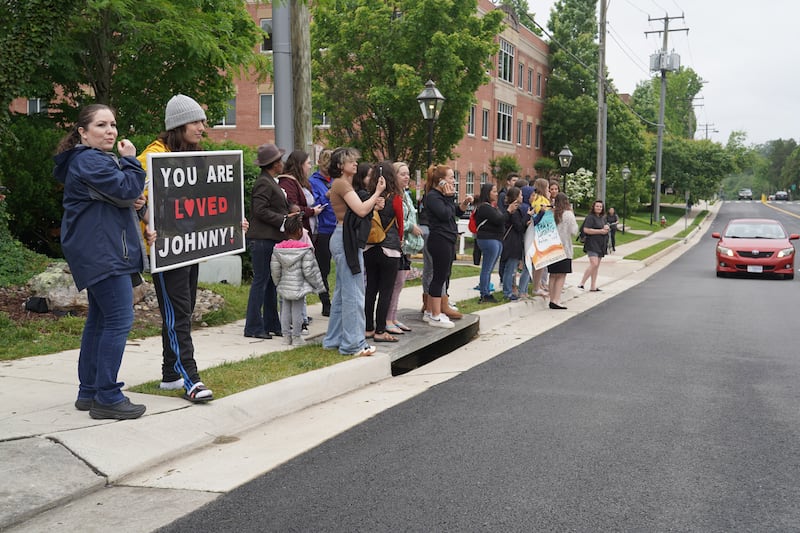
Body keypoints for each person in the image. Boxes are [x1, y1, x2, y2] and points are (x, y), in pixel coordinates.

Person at [53, 103, 148, 420]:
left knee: (99, 320)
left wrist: (130, 201)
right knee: (119, 320)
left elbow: (119, 197)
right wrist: (132, 162)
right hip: (103, 253)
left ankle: (89, 391)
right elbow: (124, 188)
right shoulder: (91, 160)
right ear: (83, 132)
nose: (110, 131)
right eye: (101, 125)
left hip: (100, 250)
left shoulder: (92, 161)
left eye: (113, 124)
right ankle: (107, 395)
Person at [137, 94, 230, 403]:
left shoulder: (190, 156)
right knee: (178, 313)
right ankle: (191, 378)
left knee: (182, 311)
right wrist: (149, 224)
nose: (202, 127)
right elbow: (136, 199)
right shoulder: (152, 156)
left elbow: (203, 203)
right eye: (196, 121)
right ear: (178, 125)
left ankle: (169, 375)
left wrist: (230, 223)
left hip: (189, 246)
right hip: (165, 249)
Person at [322, 147, 386, 357]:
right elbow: (359, 210)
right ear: (340, 165)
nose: (355, 164)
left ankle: (334, 339)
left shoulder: (341, 184)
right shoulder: (341, 183)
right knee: (354, 294)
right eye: (351, 161)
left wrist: (373, 205)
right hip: (345, 239)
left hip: (342, 237)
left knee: (343, 293)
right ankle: (353, 344)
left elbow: (358, 210)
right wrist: (377, 193)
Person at [245, 143, 290, 339]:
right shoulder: (264, 182)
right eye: (280, 160)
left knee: (271, 283)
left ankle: (272, 324)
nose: (282, 163)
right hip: (262, 239)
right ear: (274, 164)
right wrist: (283, 220)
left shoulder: (271, 180)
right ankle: (253, 327)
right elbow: (259, 210)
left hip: (270, 238)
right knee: (261, 281)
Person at [280, 150, 325, 332]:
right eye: (307, 163)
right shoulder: (288, 182)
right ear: (299, 165)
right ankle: (295, 321)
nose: (309, 166)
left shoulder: (300, 182)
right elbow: (293, 209)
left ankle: (301, 317)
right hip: (296, 238)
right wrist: (312, 212)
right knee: (295, 280)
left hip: (305, 234)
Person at [422, 164, 472, 327]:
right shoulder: (433, 196)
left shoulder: (443, 196)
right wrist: (450, 198)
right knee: (438, 277)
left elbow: (455, 213)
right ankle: (435, 315)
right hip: (439, 238)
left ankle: (431, 311)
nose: (454, 181)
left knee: (443, 275)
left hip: (448, 238)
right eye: (450, 177)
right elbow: (444, 214)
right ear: (441, 181)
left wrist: (463, 204)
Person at [271, 211, 325, 347]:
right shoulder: (304, 250)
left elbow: (275, 269)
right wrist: (317, 285)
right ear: (300, 231)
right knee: (297, 311)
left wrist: (278, 282)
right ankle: (296, 337)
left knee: (284, 310)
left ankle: (285, 337)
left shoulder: (278, 249)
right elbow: (309, 271)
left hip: (284, 284)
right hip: (299, 286)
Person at [363, 161, 404, 343]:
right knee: (386, 291)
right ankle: (380, 330)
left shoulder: (368, 196)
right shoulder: (395, 197)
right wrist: (400, 239)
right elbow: (400, 224)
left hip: (370, 246)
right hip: (390, 248)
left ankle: (368, 328)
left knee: (371, 288)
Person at [386, 161, 423, 333]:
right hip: (395, 243)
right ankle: (387, 319)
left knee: (400, 282)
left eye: (408, 173)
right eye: (402, 174)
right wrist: (410, 227)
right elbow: (397, 218)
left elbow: (410, 215)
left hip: (406, 245)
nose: (407, 177)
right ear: (394, 176)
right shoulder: (392, 194)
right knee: (394, 282)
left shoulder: (406, 194)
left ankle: (393, 317)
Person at [474, 183, 517, 303]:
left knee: (490, 268)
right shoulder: (484, 207)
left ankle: (486, 290)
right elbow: (499, 220)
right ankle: (485, 293)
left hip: (496, 239)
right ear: (487, 193)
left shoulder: (493, 207)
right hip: (488, 239)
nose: (496, 193)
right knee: (487, 268)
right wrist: (508, 211)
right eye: (493, 191)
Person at [308, 149, 335, 316]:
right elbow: (313, 203)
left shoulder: (338, 179)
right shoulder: (312, 181)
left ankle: (338, 301)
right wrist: (326, 196)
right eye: (326, 165)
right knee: (323, 269)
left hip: (338, 227)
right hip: (323, 229)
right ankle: (326, 303)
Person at [547, 192, 579, 309]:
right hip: (564, 247)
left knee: (553, 274)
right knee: (561, 275)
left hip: (552, 247)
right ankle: (556, 299)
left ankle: (551, 298)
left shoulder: (551, 214)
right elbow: (574, 230)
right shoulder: (568, 214)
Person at [499, 186, 526, 301]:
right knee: (510, 270)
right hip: (513, 243)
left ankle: (508, 290)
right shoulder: (514, 211)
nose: (522, 196)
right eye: (520, 194)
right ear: (515, 197)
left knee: (508, 269)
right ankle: (508, 292)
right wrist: (527, 217)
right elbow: (519, 227)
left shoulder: (508, 209)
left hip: (508, 242)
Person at [578, 199, 610, 292]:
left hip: (601, 244)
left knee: (596, 266)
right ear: (593, 207)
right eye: (597, 206)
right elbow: (586, 230)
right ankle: (582, 283)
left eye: (600, 206)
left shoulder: (602, 218)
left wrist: (606, 227)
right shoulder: (590, 217)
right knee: (594, 263)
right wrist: (600, 231)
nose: (599, 208)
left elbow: (605, 227)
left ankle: (593, 286)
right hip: (592, 243)